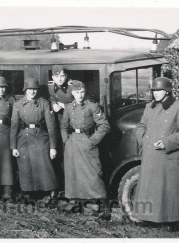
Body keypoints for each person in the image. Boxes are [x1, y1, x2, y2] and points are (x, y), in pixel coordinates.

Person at [134, 77, 179, 228]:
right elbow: (141, 125)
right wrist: (143, 140)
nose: (155, 93)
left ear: (167, 91)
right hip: (150, 154)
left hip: (168, 156)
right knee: (148, 188)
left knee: (168, 190)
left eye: (159, 90)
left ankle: (172, 221)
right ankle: (145, 218)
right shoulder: (150, 107)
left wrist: (167, 143)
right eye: (153, 90)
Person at [60, 80, 111, 219]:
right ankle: (78, 204)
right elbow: (64, 126)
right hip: (72, 142)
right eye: (77, 92)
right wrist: (66, 140)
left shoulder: (92, 106)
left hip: (87, 141)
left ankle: (104, 206)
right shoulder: (69, 107)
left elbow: (104, 126)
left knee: (93, 173)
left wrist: (92, 141)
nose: (80, 95)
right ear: (72, 93)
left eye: (82, 92)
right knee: (74, 173)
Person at [10, 78, 58, 200]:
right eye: (29, 89)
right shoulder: (18, 104)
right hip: (23, 138)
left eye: (35, 89)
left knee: (44, 164)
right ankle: (27, 191)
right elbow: (14, 126)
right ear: (25, 90)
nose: (32, 92)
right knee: (25, 165)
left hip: (40, 136)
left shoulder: (44, 103)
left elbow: (51, 126)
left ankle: (50, 190)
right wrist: (13, 147)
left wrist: (53, 147)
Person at [47, 65, 74, 192]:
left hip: (71, 124)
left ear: (66, 76)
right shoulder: (52, 87)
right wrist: (54, 104)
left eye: (62, 76)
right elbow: (52, 98)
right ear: (53, 77)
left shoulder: (72, 86)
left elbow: (80, 102)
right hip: (59, 124)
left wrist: (64, 106)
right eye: (57, 76)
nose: (59, 79)